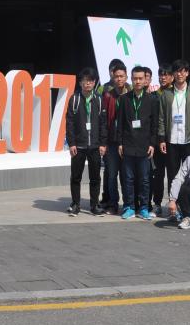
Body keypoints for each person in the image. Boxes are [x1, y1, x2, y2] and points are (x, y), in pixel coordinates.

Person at [116, 67, 159, 220]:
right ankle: (129, 207)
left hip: (144, 146)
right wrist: (120, 143)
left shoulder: (152, 100)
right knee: (128, 179)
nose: (138, 81)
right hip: (128, 145)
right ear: (131, 79)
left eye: (141, 78)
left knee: (145, 180)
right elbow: (120, 123)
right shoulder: (124, 99)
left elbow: (154, 125)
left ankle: (144, 208)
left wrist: (152, 144)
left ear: (145, 79)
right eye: (135, 79)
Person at [157, 60, 190, 217]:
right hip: (171, 141)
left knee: (189, 176)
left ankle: (187, 208)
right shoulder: (166, 94)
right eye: (177, 71)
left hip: (189, 141)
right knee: (172, 175)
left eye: (183, 71)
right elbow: (161, 118)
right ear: (173, 74)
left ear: (187, 73)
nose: (180, 74)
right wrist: (162, 139)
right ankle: (173, 208)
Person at [65, 68, 107, 216]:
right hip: (79, 146)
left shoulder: (99, 99)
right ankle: (75, 204)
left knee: (95, 178)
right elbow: (69, 123)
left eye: (90, 81)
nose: (87, 83)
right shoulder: (74, 99)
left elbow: (103, 124)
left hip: (95, 146)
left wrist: (103, 143)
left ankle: (94, 205)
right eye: (84, 81)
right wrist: (71, 143)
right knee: (75, 177)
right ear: (80, 83)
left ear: (94, 83)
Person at [99, 61, 129, 214]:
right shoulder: (108, 95)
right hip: (111, 142)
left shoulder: (131, 94)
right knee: (111, 175)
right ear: (113, 77)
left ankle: (128, 204)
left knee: (126, 176)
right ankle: (112, 204)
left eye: (121, 76)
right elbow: (104, 121)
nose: (119, 79)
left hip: (128, 142)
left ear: (126, 76)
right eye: (116, 76)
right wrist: (103, 142)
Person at [148, 66, 172, 216]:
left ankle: (173, 204)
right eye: (161, 75)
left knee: (173, 175)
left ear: (172, 77)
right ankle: (157, 204)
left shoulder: (176, 93)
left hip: (173, 141)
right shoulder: (153, 96)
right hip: (158, 142)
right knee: (158, 174)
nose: (163, 77)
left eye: (166, 75)